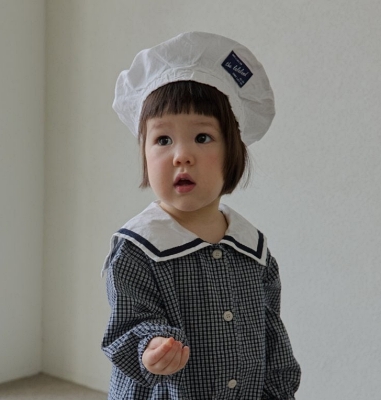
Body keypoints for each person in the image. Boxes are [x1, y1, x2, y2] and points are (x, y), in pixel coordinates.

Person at [101, 32, 301, 400]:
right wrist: (151, 347)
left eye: (202, 137)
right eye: (163, 140)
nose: (181, 155)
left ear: (233, 152)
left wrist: (279, 390)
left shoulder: (253, 250)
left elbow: (271, 335)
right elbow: (129, 324)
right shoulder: (137, 248)